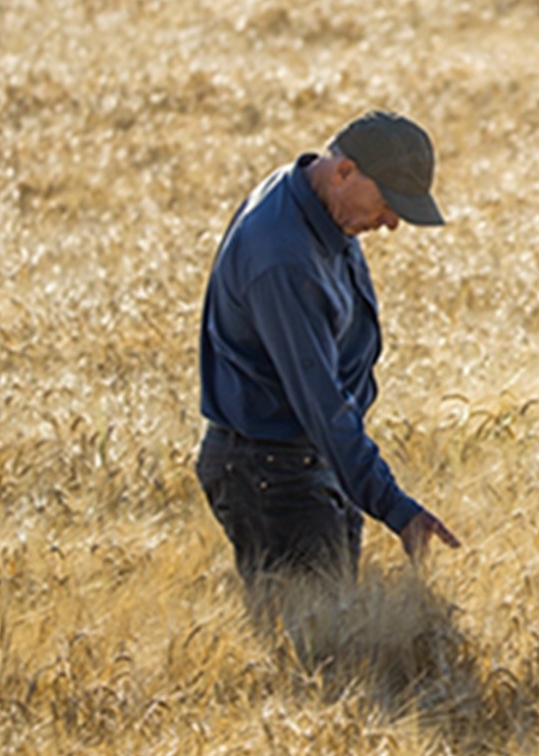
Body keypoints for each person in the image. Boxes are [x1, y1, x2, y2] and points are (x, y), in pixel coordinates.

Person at [195, 111, 461, 590]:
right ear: (345, 172)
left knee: (336, 625)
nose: (392, 222)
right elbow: (321, 403)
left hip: (306, 460)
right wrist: (395, 507)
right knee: (322, 650)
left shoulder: (315, 201)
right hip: (272, 478)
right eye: (387, 202)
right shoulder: (282, 257)